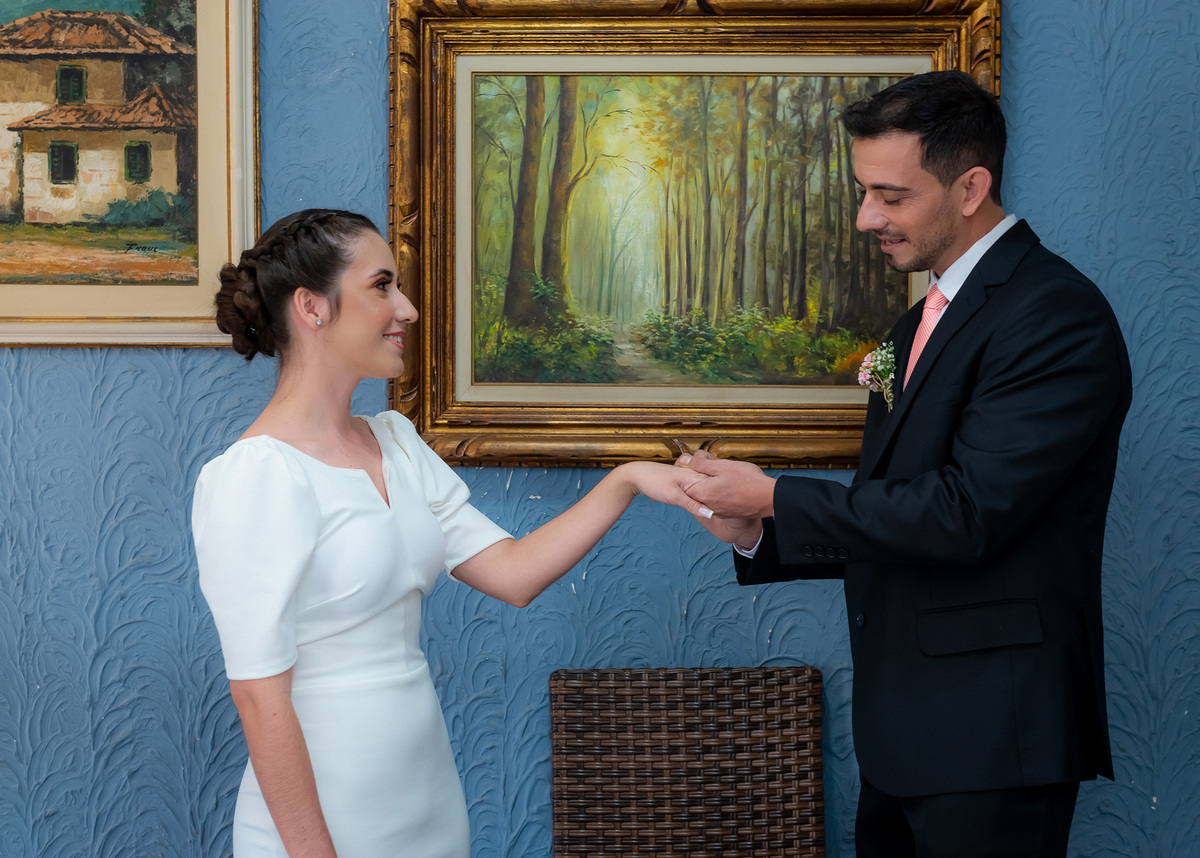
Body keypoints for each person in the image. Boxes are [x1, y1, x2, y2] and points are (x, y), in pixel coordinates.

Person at [678, 71, 1132, 857]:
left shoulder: (1055, 314)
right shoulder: (918, 319)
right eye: (864, 191)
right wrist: (758, 530)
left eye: (890, 196)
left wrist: (778, 496)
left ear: (971, 188)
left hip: (992, 733)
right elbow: (896, 505)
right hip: (905, 736)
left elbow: (967, 514)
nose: (866, 217)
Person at [191, 209, 706, 857]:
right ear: (311, 306)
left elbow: (513, 572)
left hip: (429, 810)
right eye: (382, 286)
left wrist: (626, 481)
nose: (406, 309)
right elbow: (258, 698)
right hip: (317, 829)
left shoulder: (397, 442)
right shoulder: (254, 475)